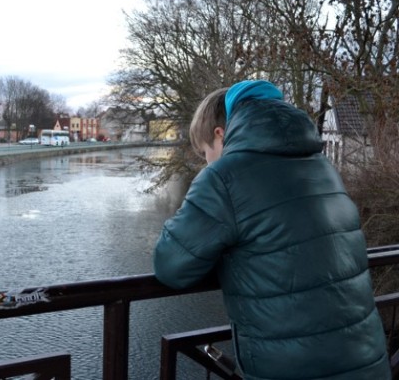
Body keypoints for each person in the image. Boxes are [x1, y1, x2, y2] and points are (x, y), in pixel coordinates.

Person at [153, 80, 390, 379]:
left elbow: (170, 265)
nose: (206, 163)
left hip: (295, 368)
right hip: (367, 360)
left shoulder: (224, 177)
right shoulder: (323, 167)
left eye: (204, 153)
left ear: (220, 135)